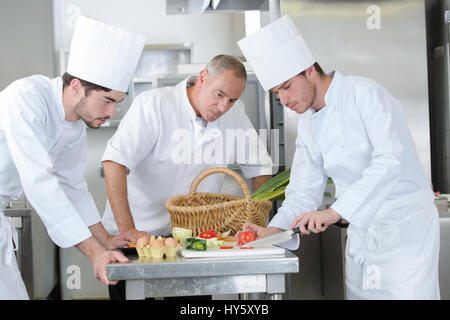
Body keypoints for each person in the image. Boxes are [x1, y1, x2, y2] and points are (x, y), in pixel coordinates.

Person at [237, 15, 440, 299]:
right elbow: (302, 191)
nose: (282, 100)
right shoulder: (309, 122)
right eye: (276, 93)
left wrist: (334, 212)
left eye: (285, 87)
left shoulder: (364, 94)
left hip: (404, 232)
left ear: (308, 70)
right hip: (362, 234)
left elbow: (390, 160)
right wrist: (272, 229)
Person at [101, 54, 273, 299]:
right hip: (138, 234)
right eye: (220, 95)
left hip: (193, 239)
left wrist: (257, 223)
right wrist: (128, 229)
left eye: (233, 100)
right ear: (203, 78)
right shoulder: (155, 104)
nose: (224, 107)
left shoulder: (234, 115)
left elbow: (260, 169)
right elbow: (114, 162)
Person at [0, 15, 145, 299]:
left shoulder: (74, 127)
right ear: (77, 86)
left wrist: (106, 241)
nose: (111, 112)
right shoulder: (26, 97)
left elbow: (73, 188)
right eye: (107, 100)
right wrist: (94, 254)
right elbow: (38, 181)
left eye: (117, 103)